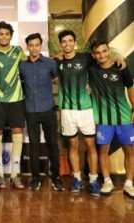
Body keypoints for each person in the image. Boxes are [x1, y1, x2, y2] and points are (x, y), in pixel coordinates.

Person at [56, 29, 100, 196]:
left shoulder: (86, 57)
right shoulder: (57, 61)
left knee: (90, 145)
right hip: (67, 110)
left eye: (70, 41)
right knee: (73, 145)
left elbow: (103, 65)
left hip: (86, 109)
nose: (67, 44)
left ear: (75, 42)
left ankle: (94, 180)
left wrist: (119, 60)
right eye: (64, 42)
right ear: (60, 44)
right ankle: (77, 178)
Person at [88, 40, 134, 198]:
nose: (102, 55)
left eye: (104, 51)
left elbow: (130, 88)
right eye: (98, 53)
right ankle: (107, 181)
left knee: (129, 150)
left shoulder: (121, 68)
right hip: (103, 120)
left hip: (124, 118)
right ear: (94, 55)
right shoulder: (92, 70)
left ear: (109, 51)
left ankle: (128, 184)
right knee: (103, 150)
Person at [19, 33, 64, 191]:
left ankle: (56, 177)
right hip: (30, 110)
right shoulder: (22, 65)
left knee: (53, 144)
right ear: (27, 47)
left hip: (48, 109)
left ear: (41, 46)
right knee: (34, 145)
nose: (34, 48)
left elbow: (59, 79)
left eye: (37, 45)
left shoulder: (50, 64)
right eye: (31, 45)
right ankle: (35, 178)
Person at [0, 21, 25, 189]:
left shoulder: (18, 51)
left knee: (17, 133)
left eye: (7, 34)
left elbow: (29, 62)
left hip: (16, 99)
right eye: (1, 34)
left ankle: (15, 175)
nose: (4, 36)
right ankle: (0, 174)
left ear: (11, 36)